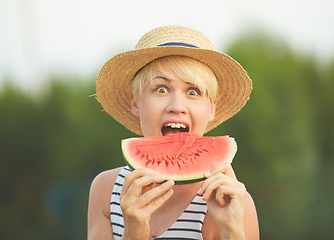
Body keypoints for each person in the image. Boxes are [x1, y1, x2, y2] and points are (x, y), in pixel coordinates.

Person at [88, 25, 259, 240]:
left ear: (212, 108)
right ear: (135, 102)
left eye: (193, 91)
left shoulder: (233, 202)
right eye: (161, 89)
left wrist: (232, 231)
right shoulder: (106, 190)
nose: (177, 106)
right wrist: (133, 234)